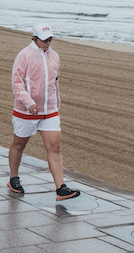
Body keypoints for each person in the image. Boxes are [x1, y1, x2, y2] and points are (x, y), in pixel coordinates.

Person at [8, 24, 81, 200]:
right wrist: (29, 102)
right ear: (34, 38)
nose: (48, 42)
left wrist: (56, 105)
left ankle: (60, 188)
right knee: (19, 144)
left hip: (49, 111)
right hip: (26, 111)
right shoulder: (24, 55)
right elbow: (17, 84)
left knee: (54, 147)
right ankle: (13, 178)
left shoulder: (54, 56)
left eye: (50, 39)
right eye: (44, 39)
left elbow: (55, 82)